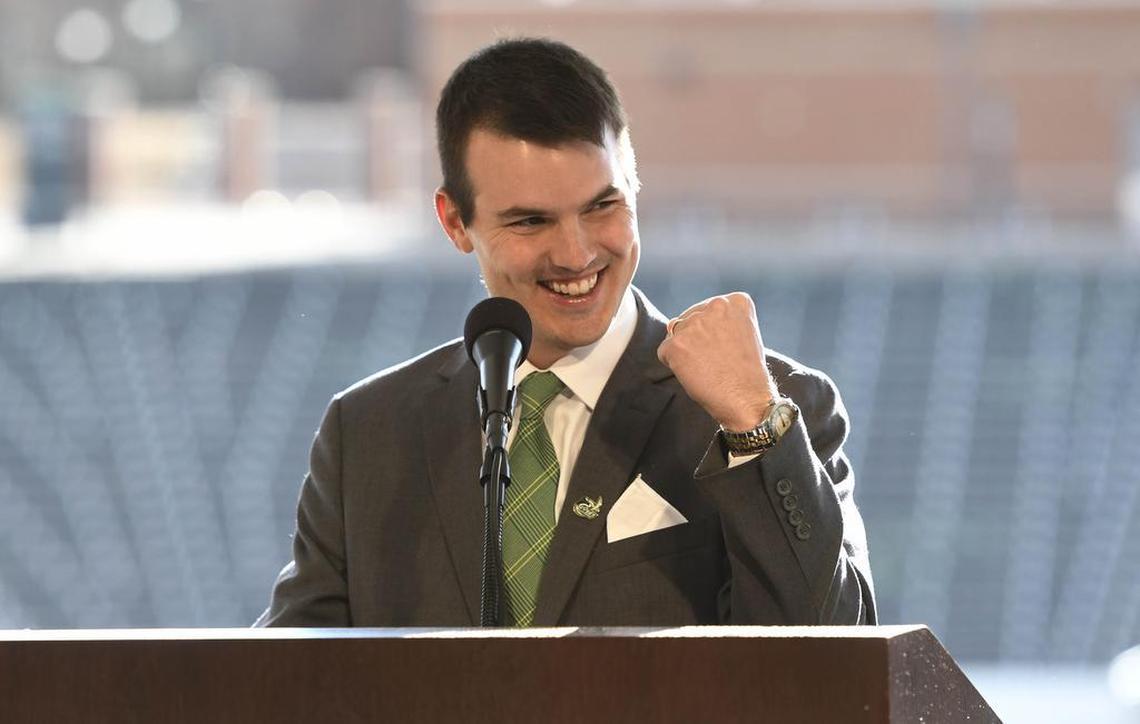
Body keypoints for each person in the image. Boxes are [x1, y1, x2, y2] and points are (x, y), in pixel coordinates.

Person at [256, 38, 875, 627]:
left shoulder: (774, 407)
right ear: (454, 221)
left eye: (603, 206)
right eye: (531, 221)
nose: (576, 255)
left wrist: (753, 426)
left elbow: (843, 659)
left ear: (635, 187)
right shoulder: (368, 432)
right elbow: (283, 677)